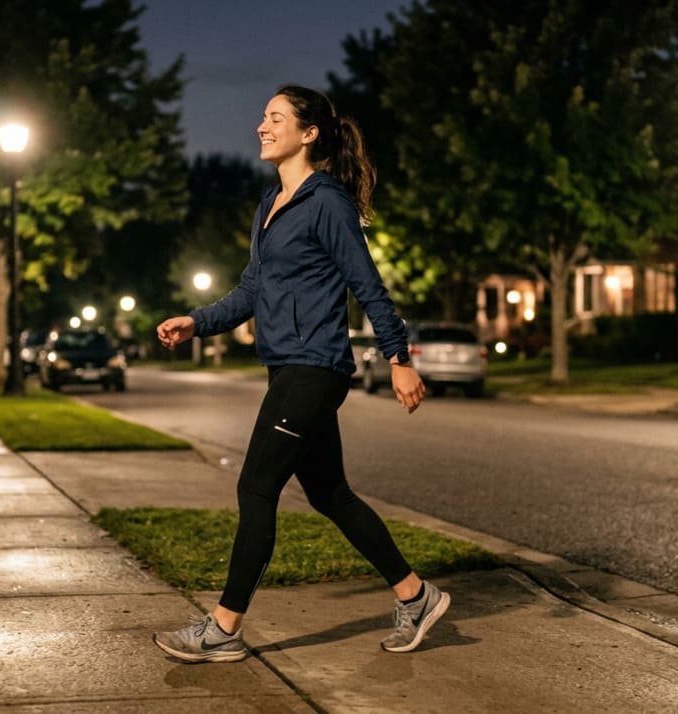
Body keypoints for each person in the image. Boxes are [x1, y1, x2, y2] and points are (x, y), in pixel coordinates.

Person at [152, 85, 450, 663]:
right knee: (329, 492)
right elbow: (253, 290)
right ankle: (416, 596)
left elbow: (367, 283)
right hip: (287, 366)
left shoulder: (328, 202)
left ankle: (224, 629)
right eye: (262, 117)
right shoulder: (269, 204)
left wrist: (399, 359)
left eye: (276, 118)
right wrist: (197, 321)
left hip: (315, 369)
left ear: (308, 133)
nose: (262, 126)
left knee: (256, 486)